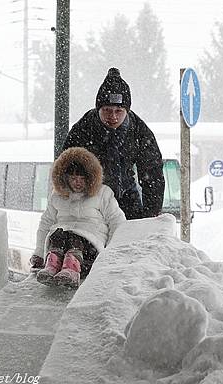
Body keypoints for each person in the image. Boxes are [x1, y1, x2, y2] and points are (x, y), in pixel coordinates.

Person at [63, 67, 165, 220]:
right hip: (91, 204)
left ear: (127, 111)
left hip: (127, 202)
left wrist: (151, 215)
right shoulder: (82, 130)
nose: (113, 117)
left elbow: (152, 174)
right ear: (99, 109)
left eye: (119, 110)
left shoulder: (139, 131)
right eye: (107, 110)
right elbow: (65, 169)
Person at [30, 146, 126, 288]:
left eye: (82, 178)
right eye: (73, 178)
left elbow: (117, 221)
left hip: (90, 247)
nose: (78, 182)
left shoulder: (103, 194)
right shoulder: (57, 196)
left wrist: (111, 252)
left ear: (90, 177)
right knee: (59, 235)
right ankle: (52, 266)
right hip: (61, 240)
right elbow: (46, 223)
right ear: (65, 178)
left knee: (75, 237)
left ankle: (71, 269)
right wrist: (39, 252)